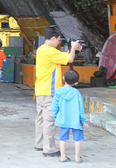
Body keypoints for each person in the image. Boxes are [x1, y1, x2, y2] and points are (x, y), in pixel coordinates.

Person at [34, 27, 81, 157]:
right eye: (59, 40)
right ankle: (49, 149)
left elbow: (64, 57)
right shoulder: (50, 51)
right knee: (49, 120)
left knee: (40, 119)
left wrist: (73, 50)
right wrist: (73, 47)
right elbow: (70, 59)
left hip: (40, 90)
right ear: (53, 38)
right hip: (50, 91)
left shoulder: (41, 50)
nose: (59, 43)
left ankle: (39, 144)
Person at [52, 69, 87, 163]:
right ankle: (77, 157)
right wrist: (83, 120)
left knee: (62, 138)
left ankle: (63, 156)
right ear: (76, 82)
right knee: (78, 139)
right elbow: (81, 108)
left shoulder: (58, 91)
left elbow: (54, 106)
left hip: (63, 119)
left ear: (63, 78)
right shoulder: (76, 93)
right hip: (76, 120)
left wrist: (55, 116)